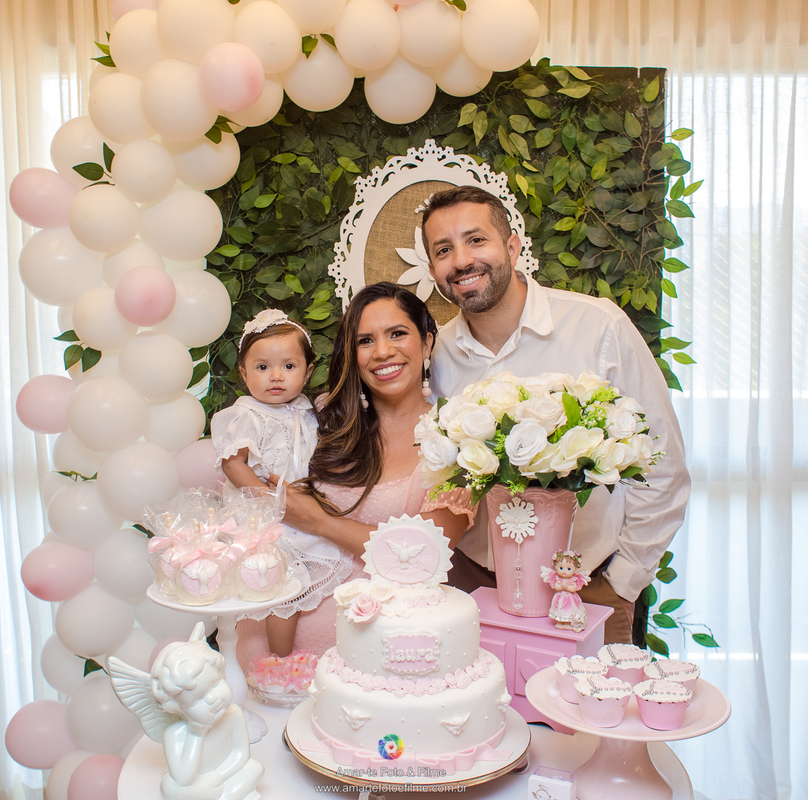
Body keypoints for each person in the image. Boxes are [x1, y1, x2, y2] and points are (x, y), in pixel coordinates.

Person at [421, 184, 691, 645]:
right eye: (444, 250)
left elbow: (661, 465)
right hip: (472, 587)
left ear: (512, 246)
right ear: (432, 270)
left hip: (585, 586)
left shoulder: (598, 327)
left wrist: (622, 583)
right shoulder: (436, 353)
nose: (461, 260)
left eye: (476, 240)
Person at [234, 283, 474, 669]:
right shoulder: (318, 416)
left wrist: (318, 521)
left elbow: (424, 557)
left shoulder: (458, 439)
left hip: (377, 663)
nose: (382, 352)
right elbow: (251, 478)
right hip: (273, 649)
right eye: (365, 340)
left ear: (427, 343)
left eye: (397, 333)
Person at [210, 309, 349, 657]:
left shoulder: (307, 411)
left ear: (308, 371)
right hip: (264, 518)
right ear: (244, 373)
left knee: (299, 585)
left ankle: (307, 652)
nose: (276, 376)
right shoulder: (247, 414)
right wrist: (272, 502)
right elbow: (233, 464)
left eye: (288, 366)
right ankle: (280, 659)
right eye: (262, 367)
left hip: (299, 509)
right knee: (281, 588)